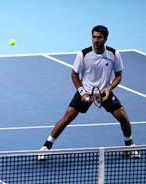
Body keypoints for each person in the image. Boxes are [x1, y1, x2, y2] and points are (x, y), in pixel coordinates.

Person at [38, 25, 140, 160]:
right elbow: (74, 75)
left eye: (99, 37)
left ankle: (129, 146)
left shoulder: (114, 54)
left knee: (123, 116)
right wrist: (83, 93)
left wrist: (109, 89)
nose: (95, 40)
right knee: (67, 117)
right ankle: (46, 146)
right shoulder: (83, 54)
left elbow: (119, 76)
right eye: (94, 37)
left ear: (105, 39)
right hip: (85, 91)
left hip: (104, 92)